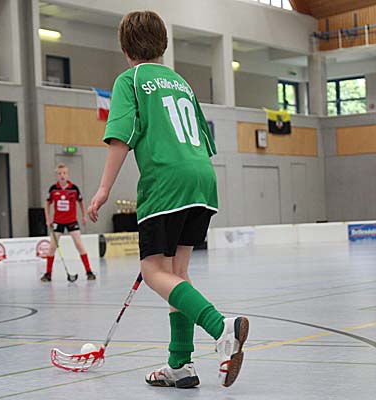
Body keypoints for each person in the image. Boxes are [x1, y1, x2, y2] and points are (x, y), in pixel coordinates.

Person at [88, 11, 249, 389]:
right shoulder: (181, 83)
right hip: (202, 179)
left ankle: (221, 327)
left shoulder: (130, 80)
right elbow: (204, 140)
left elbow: (121, 137)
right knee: (176, 272)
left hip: (166, 181)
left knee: (152, 272)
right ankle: (181, 364)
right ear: (163, 44)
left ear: (125, 48)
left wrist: (103, 189)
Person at [42, 164, 96, 282]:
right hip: (58, 222)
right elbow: (47, 203)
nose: (62, 175)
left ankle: (89, 271)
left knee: (79, 245)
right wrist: (48, 218)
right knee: (52, 247)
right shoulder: (53, 189)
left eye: (64, 173)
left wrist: (83, 216)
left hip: (71, 221)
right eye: (59, 173)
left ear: (68, 175)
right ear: (57, 176)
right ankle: (48, 274)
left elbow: (81, 202)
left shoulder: (74, 189)